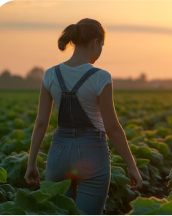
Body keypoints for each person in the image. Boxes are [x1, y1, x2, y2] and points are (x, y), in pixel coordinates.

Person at [24, 18, 143, 216]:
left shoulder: (50, 75)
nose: (101, 51)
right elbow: (112, 127)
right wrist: (132, 165)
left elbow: (41, 122)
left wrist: (31, 163)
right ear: (95, 42)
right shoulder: (101, 77)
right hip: (92, 154)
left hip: (58, 154)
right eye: (102, 46)